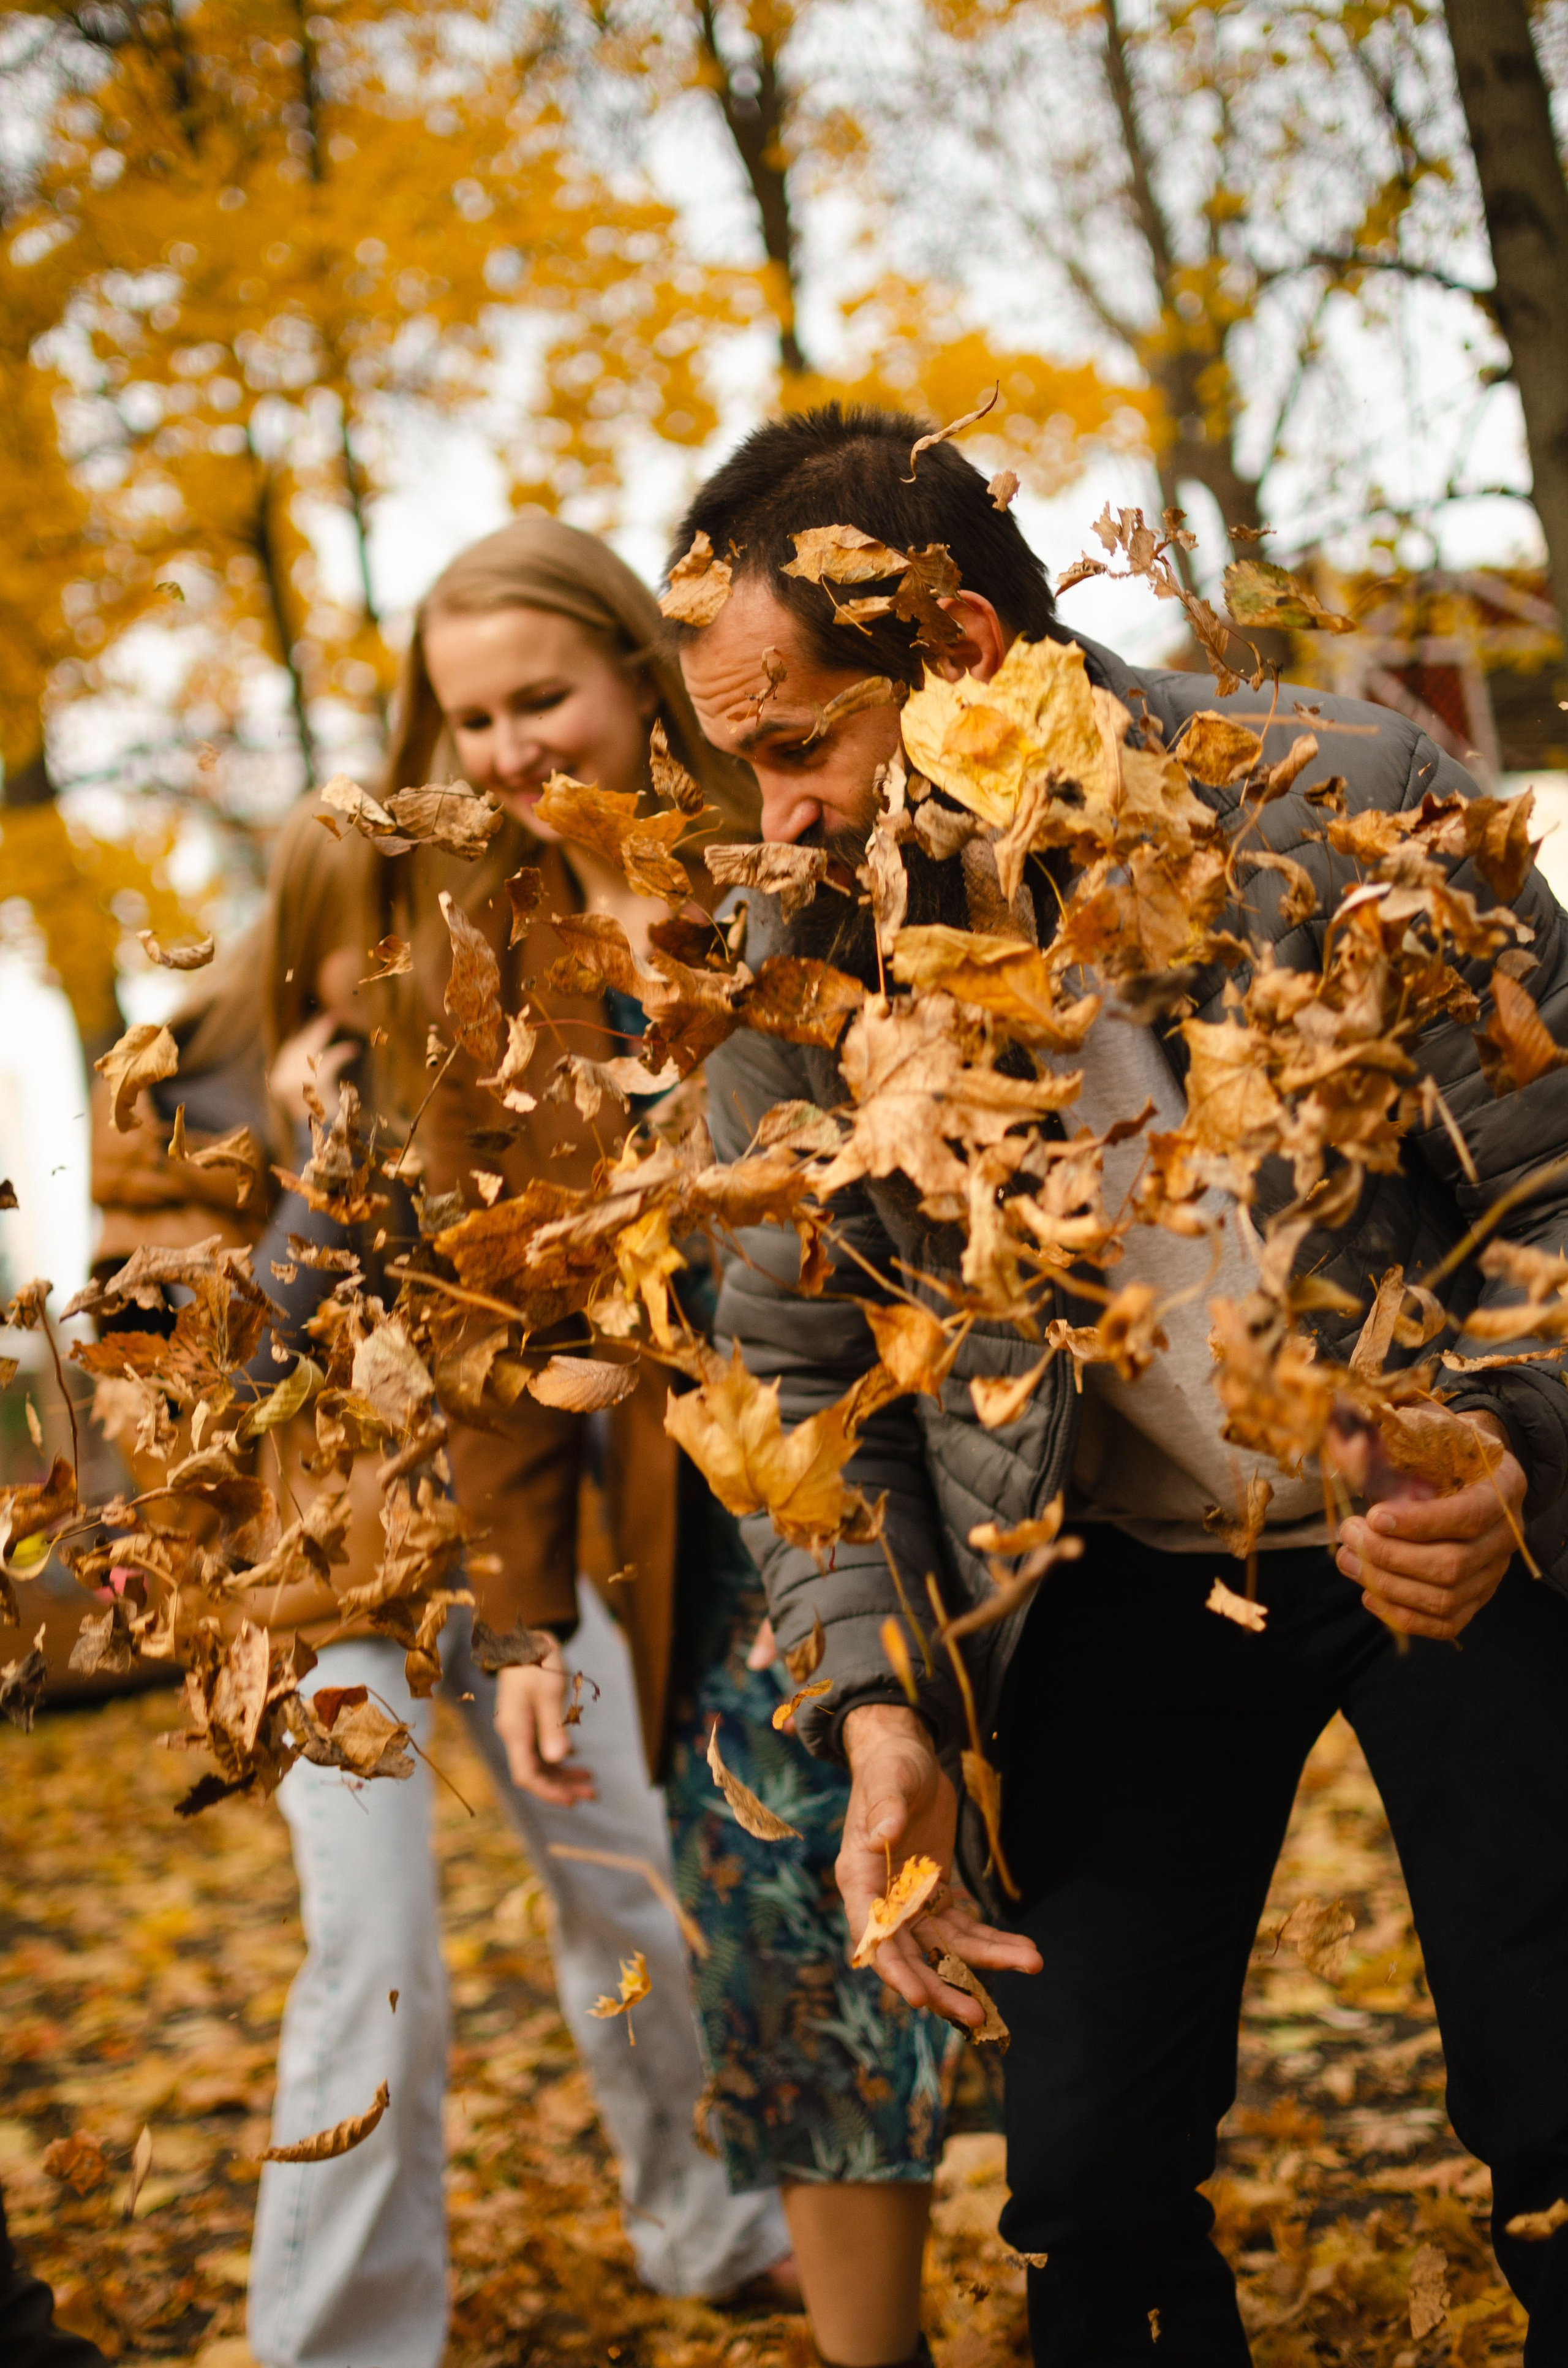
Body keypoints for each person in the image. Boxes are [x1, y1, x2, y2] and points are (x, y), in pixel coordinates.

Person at [668, 403, 1568, 2363]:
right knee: (1083, 2174)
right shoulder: (794, 964)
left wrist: (1509, 1437)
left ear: (963, 654)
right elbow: (800, 1372)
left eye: (798, 744)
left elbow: (1553, 1180)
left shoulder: (1338, 792)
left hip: (1445, 1531)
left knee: (1559, 2104)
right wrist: (884, 1702)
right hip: (1123, 1572)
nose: (777, 819)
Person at [88, 804, 790, 2368]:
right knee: (380, 1949)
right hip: (314, 1594)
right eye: (392, 927)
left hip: (499, 1561)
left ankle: (708, 2218)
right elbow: (199, 1390)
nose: (431, 960)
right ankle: (339, 2336)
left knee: (629, 1890)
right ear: (325, 923)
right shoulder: (179, 1096)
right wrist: (316, 1175)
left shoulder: (485, 1061)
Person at [393, 518, 960, 2368]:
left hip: (946, 1460)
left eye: (538, 697)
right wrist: (529, 1620)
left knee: (1033, 1927)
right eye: (467, 720)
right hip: (712, 1543)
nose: (507, 751)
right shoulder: (483, 981)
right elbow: (502, 1338)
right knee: (791, 1959)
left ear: (641, 675)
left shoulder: (804, 842)